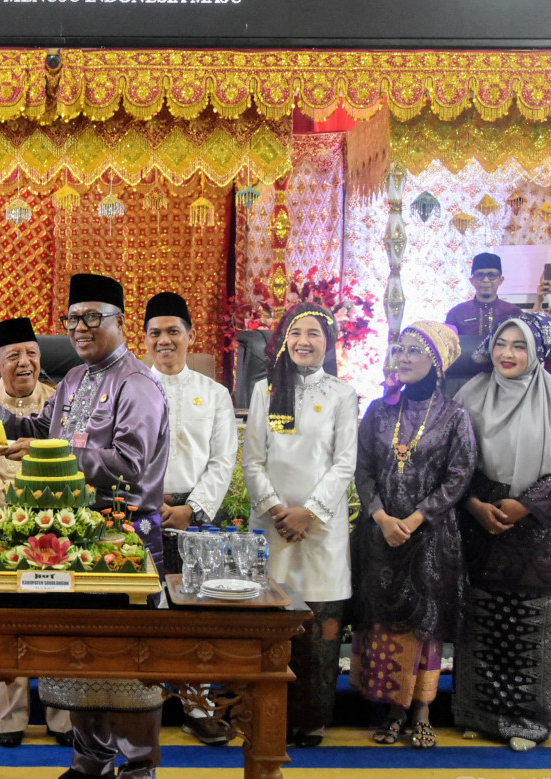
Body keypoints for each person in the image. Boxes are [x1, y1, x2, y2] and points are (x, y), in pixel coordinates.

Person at [0, 273, 170, 779]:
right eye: (72, 319)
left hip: (126, 540)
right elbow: (41, 426)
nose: (80, 328)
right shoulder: (72, 379)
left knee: (127, 663)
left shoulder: (136, 384)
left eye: (93, 317)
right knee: (81, 655)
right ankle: (91, 766)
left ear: (121, 321)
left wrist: (57, 452)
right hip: (74, 539)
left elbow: (128, 467)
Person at [453, 314, 551, 752]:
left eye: (519, 346)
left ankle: (526, 722)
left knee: (528, 627)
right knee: (483, 623)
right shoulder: (469, 395)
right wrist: (475, 504)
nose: (507, 354)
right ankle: (479, 714)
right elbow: (454, 459)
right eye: (501, 343)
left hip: (535, 531)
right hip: (482, 525)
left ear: (536, 353)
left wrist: (525, 506)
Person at [350, 321, 476, 750]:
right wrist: (382, 517)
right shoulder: (378, 411)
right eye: (399, 350)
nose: (401, 358)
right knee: (385, 620)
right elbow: (362, 469)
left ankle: (420, 710)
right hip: (381, 535)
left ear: (436, 362)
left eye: (412, 351)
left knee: (425, 624)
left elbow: (460, 475)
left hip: (431, 538)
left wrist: (418, 518)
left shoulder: (454, 415)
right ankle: (389, 707)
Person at [242, 301, 358, 748]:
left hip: (321, 530)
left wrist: (308, 511)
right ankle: (267, 714)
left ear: (328, 343)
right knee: (270, 626)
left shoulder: (342, 395)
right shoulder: (266, 390)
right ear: (283, 340)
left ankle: (311, 718)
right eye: (295, 333)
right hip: (273, 529)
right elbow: (253, 460)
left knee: (318, 627)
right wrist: (277, 510)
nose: (303, 342)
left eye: (313, 334)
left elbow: (344, 464)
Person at [0, 316, 71, 749]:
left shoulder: (60, 400)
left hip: (55, 524)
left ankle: (62, 718)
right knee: (11, 622)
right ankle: (12, 718)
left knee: (57, 621)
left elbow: (71, 459)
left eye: (33, 355)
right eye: (14, 356)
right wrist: (13, 506)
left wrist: (42, 505)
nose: (25, 363)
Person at [143, 291, 237, 746]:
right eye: (156, 333)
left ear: (190, 337)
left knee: (194, 611)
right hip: (139, 512)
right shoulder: (129, 388)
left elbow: (223, 460)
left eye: (173, 331)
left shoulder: (214, 394)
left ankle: (197, 705)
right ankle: (143, 702)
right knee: (146, 610)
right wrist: (149, 500)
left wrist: (189, 509)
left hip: (193, 516)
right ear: (143, 340)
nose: (165, 340)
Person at [444, 253, 523, 397]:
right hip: (464, 384)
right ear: (472, 280)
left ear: (500, 280)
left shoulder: (513, 312)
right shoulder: (457, 312)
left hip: (503, 380)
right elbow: (446, 348)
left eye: (491, 275)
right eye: (480, 275)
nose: (486, 280)